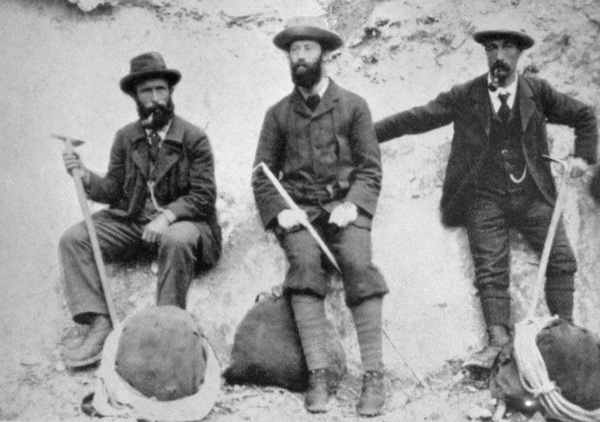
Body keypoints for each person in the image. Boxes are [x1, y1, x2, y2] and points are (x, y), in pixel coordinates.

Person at [374, 28, 598, 371]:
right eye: (491, 48)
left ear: (519, 54)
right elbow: (416, 118)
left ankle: (561, 335)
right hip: (483, 197)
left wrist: (582, 158)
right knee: (491, 269)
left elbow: (585, 116)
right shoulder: (466, 95)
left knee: (562, 260)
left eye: (507, 47)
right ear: (485, 54)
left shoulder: (537, 92)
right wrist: (365, 133)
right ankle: (498, 342)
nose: (499, 56)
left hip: (532, 193)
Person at [252, 16, 389, 416]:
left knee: (359, 265)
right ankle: (319, 374)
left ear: (324, 56)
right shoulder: (277, 114)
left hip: (345, 207)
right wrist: (281, 215)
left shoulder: (353, 106)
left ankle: (374, 375)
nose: (300, 58)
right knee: (305, 268)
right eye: (293, 51)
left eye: (308, 49)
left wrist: (355, 204)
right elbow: (261, 175)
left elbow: (370, 168)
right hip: (300, 211)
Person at [58, 52, 222, 369]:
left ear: (170, 92)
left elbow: (204, 195)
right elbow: (114, 190)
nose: (155, 98)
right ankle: (99, 322)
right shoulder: (125, 137)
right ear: (135, 96)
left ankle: (166, 332)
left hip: (187, 225)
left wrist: (167, 216)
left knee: (176, 239)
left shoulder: (194, 138)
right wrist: (84, 174)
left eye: (161, 89)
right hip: (135, 224)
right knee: (73, 239)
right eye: (146, 91)